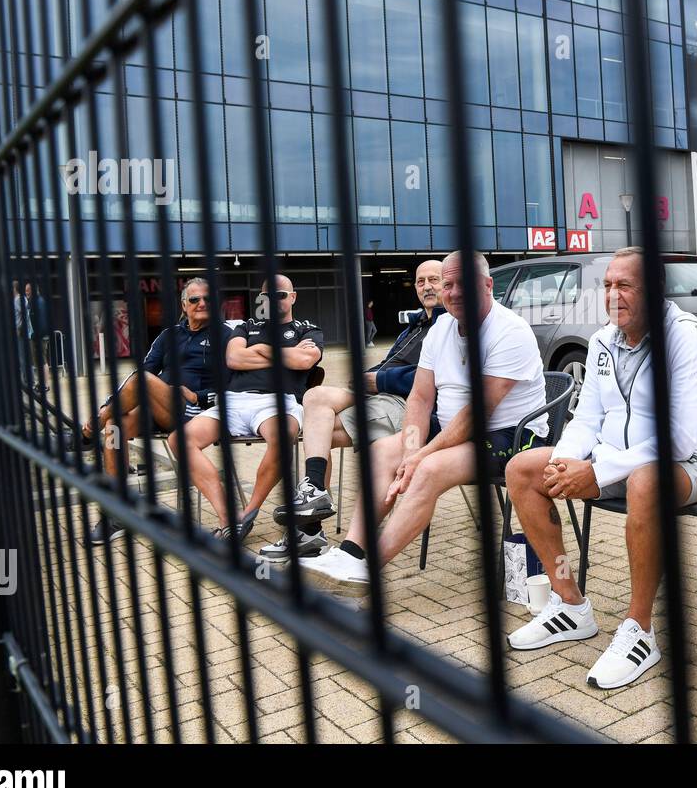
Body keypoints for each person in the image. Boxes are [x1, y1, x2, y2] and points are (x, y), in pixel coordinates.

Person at [503, 247, 697, 690]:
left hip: (695, 463)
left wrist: (597, 471)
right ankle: (569, 603)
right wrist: (566, 461)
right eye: (607, 285)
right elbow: (587, 417)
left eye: (624, 285)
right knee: (523, 470)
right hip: (614, 462)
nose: (612, 294)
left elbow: (679, 439)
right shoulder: (603, 339)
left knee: (646, 480)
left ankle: (640, 629)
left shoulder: (685, 336)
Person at [297, 251, 546, 592]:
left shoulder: (509, 331)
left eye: (465, 284)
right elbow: (420, 397)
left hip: (510, 436)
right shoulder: (441, 328)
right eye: (449, 284)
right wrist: (411, 448)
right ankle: (352, 554)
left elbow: (477, 413)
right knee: (384, 451)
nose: (455, 292)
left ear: (488, 285)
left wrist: (420, 458)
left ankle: (369, 570)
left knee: (428, 470)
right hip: (451, 430)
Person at [259, 259, 444, 561]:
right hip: (380, 393)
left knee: (318, 434)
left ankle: (308, 533)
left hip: (406, 404)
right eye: (421, 281)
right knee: (316, 398)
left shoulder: (448, 324)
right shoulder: (415, 325)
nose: (426, 286)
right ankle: (314, 491)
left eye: (434, 280)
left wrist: (378, 379)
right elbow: (389, 363)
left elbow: (435, 378)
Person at [172, 274, 323, 539]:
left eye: (281, 295)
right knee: (178, 441)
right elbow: (233, 358)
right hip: (233, 400)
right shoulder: (246, 326)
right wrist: (280, 353)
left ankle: (248, 513)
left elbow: (304, 361)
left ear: (293, 297)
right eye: (268, 295)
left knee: (282, 436)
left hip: (279, 401)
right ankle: (227, 516)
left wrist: (260, 349)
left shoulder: (306, 329)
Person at [85, 278, 219, 545]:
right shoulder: (169, 335)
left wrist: (197, 396)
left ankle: (94, 422)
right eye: (194, 299)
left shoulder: (224, 336)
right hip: (156, 408)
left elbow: (230, 385)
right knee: (114, 425)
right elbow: (144, 371)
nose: (202, 303)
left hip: (190, 413)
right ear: (184, 305)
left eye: (207, 299)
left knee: (142, 382)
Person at [24, 281, 52, 393]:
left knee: (43, 360)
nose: (26, 292)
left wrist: (37, 335)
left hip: (40, 336)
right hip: (38, 335)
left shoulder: (38, 302)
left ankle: (45, 384)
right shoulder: (36, 301)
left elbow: (41, 321)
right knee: (39, 361)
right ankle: (42, 383)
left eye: (27, 290)